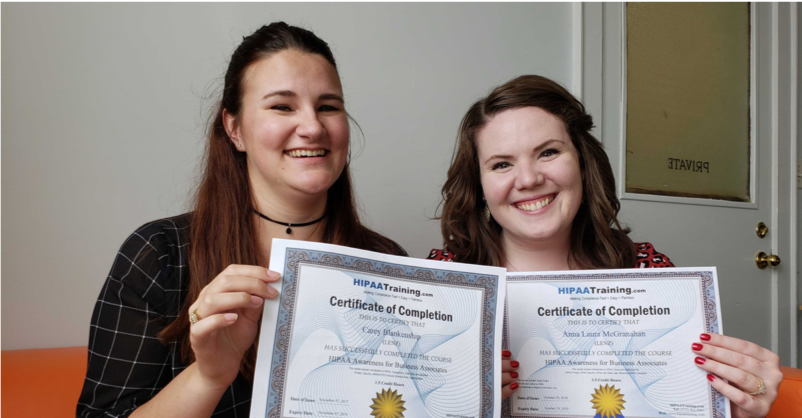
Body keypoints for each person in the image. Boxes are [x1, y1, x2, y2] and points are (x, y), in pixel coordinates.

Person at [76, 22, 405, 418]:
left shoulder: (386, 260)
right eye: (282, 106)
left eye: (328, 107)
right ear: (235, 129)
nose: (313, 127)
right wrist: (209, 377)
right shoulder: (159, 255)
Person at [430, 75, 783, 418]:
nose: (528, 179)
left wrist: (733, 405)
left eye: (548, 152)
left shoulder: (646, 269)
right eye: (502, 164)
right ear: (478, 185)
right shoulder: (442, 279)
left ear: (583, 163)